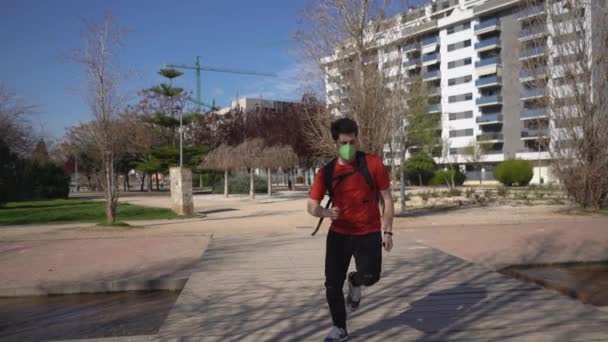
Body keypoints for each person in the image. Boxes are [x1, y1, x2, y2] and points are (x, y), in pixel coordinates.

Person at [307, 118, 394, 342]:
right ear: (335, 143)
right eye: (344, 142)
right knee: (332, 284)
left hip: (368, 232)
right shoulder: (326, 172)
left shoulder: (373, 164)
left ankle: (355, 283)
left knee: (370, 277)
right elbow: (312, 206)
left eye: (352, 142)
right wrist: (325, 213)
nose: (349, 147)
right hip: (339, 235)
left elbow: (386, 198)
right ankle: (339, 327)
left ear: (357, 139)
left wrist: (388, 231)